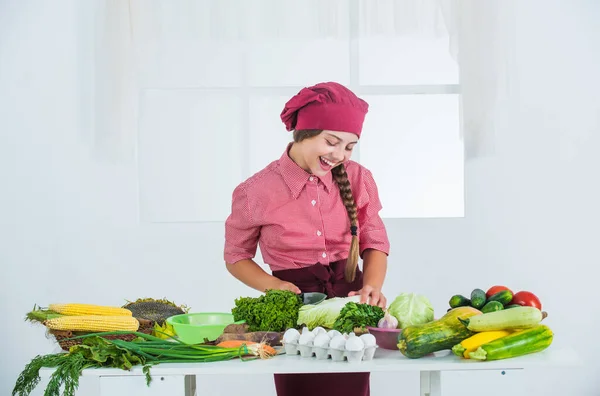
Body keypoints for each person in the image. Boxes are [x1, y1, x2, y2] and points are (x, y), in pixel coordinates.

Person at [223, 81, 390, 396]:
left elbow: (375, 241)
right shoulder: (255, 191)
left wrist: (372, 287)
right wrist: (275, 287)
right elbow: (236, 256)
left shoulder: (358, 179)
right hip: (292, 310)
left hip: (351, 306)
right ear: (303, 132)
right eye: (332, 142)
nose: (340, 155)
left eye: (349, 146)